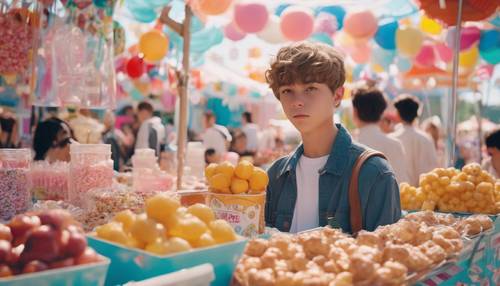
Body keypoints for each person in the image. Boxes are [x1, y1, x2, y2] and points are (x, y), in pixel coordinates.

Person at [264, 42, 401, 234]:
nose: (297, 102)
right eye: (287, 91)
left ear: (337, 96)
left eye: (310, 88)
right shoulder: (276, 175)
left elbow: (388, 256)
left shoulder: (374, 173)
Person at [351, 87, 409, 183]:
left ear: (355, 112)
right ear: (382, 113)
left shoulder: (348, 145)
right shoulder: (394, 145)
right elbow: (402, 185)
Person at [391, 95, 438, 186]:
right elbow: (432, 170)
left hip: (398, 192)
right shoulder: (426, 138)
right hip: (421, 193)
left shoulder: (392, 138)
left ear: (398, 114)